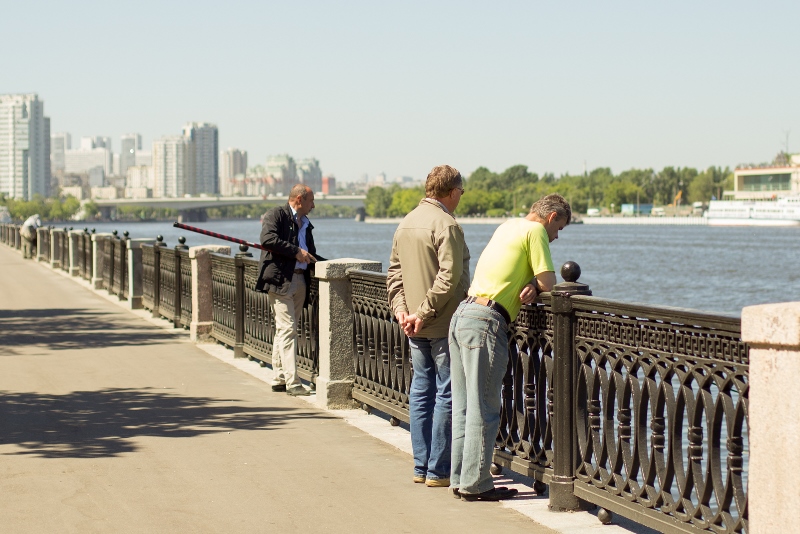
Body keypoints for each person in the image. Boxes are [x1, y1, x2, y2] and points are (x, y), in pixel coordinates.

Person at [449, 193, 571, 501]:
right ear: (552, 217)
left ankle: (459, 478)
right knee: (486, 407)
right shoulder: (536, 232)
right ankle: (476, 484)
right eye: (560, 229)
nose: (555, 237)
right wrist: (536, 282)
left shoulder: (507, 226)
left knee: (463, 406)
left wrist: (527, 280)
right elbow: (550, 282)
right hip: (487, 322)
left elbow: (515, 270)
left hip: (463, 314)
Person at [387, 165, 470, 488]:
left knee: (421, 390)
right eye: (461, 192)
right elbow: (449, 277)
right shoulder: (446, 224)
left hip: (413, 324)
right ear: (451, 192)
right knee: (447, 391)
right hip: (441, 322)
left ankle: (420, 466)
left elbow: (394, 275)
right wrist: (422, 313)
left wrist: (402, 312)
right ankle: (438, 469)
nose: (461, 198)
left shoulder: (406, 223)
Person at [256, 184, 325, 397]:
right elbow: (267, 240)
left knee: (284, 329)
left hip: (300, 280)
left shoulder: (306, 223)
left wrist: (332, 265)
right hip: (280, 280)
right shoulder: (276, 214)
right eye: (311, 201)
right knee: (288, 329)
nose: (313, 205)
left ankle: (278, 377)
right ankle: (293, 383)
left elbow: (310, 254)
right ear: (298, 200)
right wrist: (295, 252)